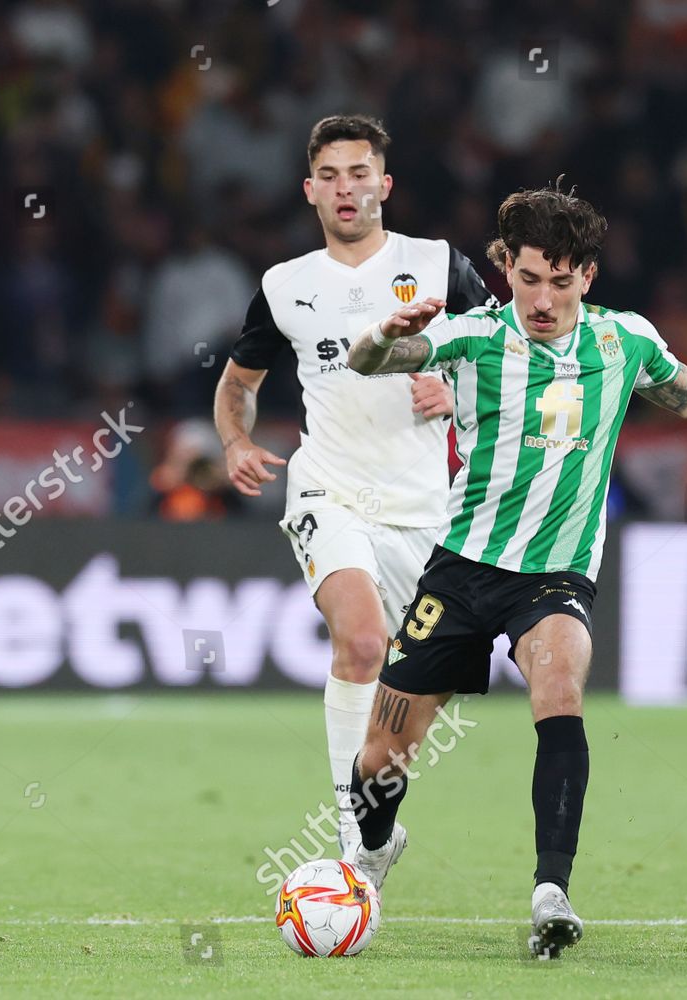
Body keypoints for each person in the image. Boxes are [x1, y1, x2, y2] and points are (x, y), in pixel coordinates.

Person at [342, 183, 687, 957]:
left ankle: (551, 892)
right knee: (380, 757)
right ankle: (372, 848)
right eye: (528, 278)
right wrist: (382, 335)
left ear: (588, 277)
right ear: (506, 267)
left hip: (556, 575)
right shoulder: (471, 337)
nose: (541, 298)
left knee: (560, 680)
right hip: (462, 570)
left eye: (560, 282)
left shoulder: (624, 343)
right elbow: (376, 361)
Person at [212, 115, 495, 861]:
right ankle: (351, 834)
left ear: (384, 184)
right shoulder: (286, 286)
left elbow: (511, 359)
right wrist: (237, 440)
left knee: (414, 705)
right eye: (330, 176)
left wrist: (456, 388)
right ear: (310, 191)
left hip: (425, 511)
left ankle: (376, 828)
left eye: (359, 173)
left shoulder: (438, 267)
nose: (346, 188)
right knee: (362, 641)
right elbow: (237, 384)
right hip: (328, 489)